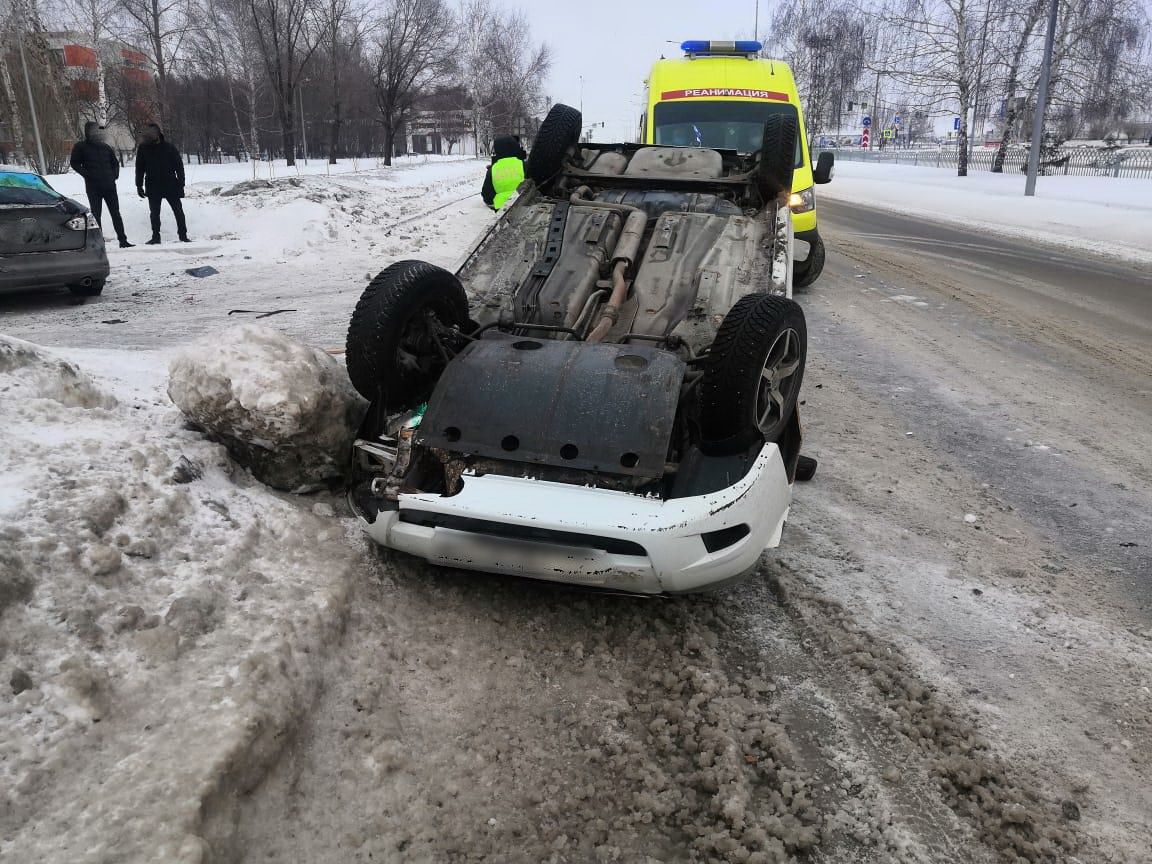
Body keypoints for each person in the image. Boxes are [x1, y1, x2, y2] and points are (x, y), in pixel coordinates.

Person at [70, 121, 133, 248]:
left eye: (97, 130)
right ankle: (99, 242)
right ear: (87, 132)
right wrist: (87, 175)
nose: (96, 132)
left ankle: (123, 240)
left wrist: (114, 175)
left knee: (116, 213)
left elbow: (115, 163)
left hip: (109, 186)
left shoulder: (105, 146)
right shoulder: (80, 147)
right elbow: (74, 163)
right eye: (93, 130)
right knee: (96, 214)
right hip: (93, 187)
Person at [134, 123, 188, 244]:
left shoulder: (169, 147)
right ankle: (155, 237)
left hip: (170, 184)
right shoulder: (143, 148)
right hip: (153, 185)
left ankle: (183, 235)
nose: (150, 136)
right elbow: (139, 168)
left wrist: (181, 183)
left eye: (152, 133)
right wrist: (138, 185)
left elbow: (179, 166)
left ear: (158, 134)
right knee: (154, 213)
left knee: (178, 210)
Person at [481, 135, 527, 210]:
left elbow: (486, 195)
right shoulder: (524, 165)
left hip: (501, 207)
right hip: (523, 204)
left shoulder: (492, 170)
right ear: (515, 147)